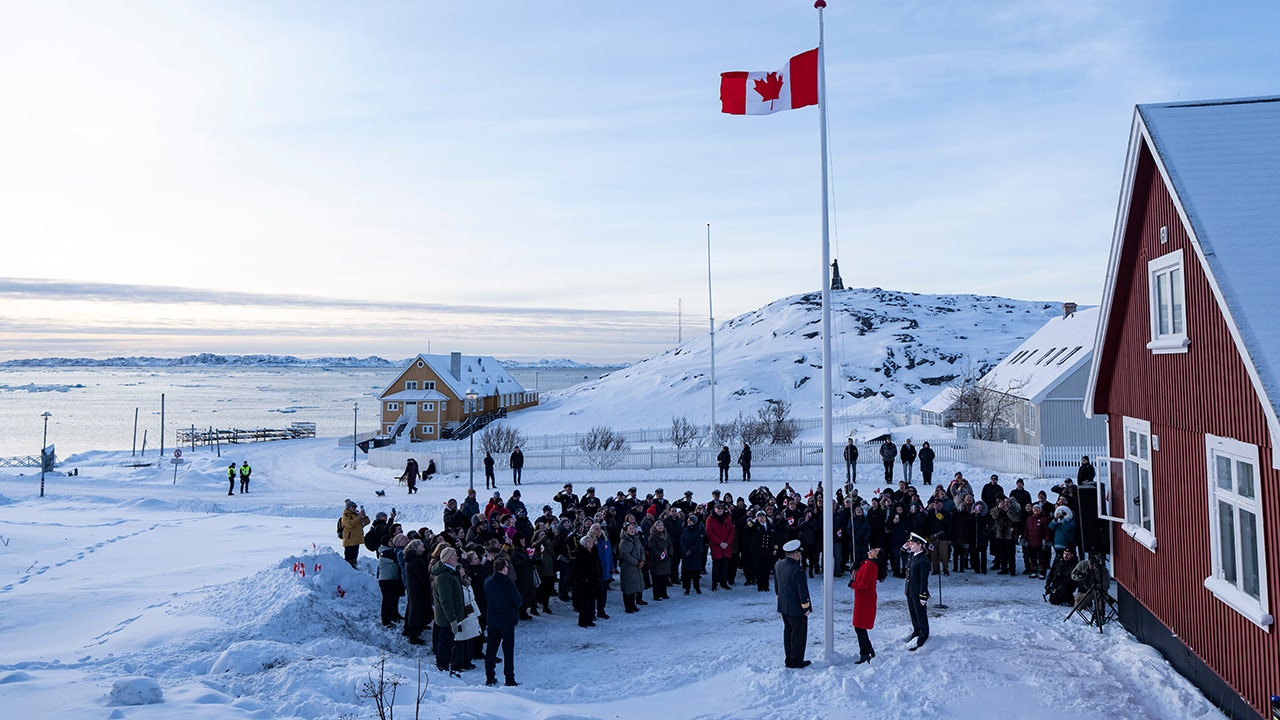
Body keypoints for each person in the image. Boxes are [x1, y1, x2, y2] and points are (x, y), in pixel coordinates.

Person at [483, 556, 522, 687]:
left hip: (493, 619)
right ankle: (509, 679)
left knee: (491, 649)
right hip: (507, 620)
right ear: (503, 568)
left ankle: (489, 676)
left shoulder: (488, 582)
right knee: (508, 651)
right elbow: (519, 601)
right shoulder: (508, 584)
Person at [774, 539, 812, 668]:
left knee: (788, 633)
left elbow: (777, 585)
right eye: (799, 553)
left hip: (784, 606)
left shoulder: (778, 564)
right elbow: (802, 591)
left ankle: (789, 659)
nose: (799, 555)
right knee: (798, 635)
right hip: (796, 608)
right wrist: (806, 606)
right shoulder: (797, 569)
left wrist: (780, 599)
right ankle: (796, 661)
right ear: (795, 553)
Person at [432, 546, 468, 675]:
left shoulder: (451, 572)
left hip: (449, 616)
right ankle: (442, 667)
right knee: (445, 643)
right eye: (454, 556)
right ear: (447, 558)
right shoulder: (444, 576)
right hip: (446, 618)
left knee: (448, 642)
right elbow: (446, 601)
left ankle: (445, 666)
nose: (457, 557)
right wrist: (452, 619)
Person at [851, 546, 884, 664]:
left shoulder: (870, 565)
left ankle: (865, 652)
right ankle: (867, 649)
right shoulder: (867, 563)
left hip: (865, 599)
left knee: (859, 626)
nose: (872, 550)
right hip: (863, 598)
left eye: (875, 551)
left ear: (877, 557)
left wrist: (852, 584)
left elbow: (863, 585)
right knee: (860, 626)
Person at [903, 532, 931, 651]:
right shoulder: (913, 555)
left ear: (920, 545)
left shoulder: (923, 560)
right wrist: (904, 547)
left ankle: (923, 635)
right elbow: (902, 554)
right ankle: (916, 630)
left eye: (912, 544)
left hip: (918, 592)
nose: (910, 546)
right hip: (910, 590)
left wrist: (923, 595)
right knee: (913, 613)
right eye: (909, 544)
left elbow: (924, 580)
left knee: (920, 614)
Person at [401, 539, 430, 644]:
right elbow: (423, 576)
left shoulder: (412, 558)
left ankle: (408, 628)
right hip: (418, 588)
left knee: (412, 607)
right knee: (415, 610)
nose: (423, 546)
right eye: (421, 545)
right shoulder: (416, 560)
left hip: (413, 587)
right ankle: (413, 634)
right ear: (416, 547)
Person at [617, 521, 646, 613]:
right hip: (628, 567)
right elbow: (625, 555)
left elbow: (641, 550)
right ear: (626, 530)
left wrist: (642, 560)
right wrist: (637, 562)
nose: (632, 530)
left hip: (637, 567)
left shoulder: (637, 539)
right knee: (628, 588)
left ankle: (633, 604)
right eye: (630, 528)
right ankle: (628, 606)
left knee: (635, 587)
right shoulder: (624, 542)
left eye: (633, 528)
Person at [706, 503, 735, 591]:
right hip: (716, 546)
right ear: (714, 509)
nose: (720, 509)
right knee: (716, 566)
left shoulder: (727, 518)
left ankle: (724, 583)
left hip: (726, 546)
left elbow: (732, 531)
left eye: (721, 508)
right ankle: (714, 584)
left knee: (725, 566)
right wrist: (720, 542)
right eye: (718, 508)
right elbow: (710, 533)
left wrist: (727, 542)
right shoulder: (710, 519)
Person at [573, 534, 601, 627]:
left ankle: (589, 619)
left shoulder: (594, 552)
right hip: (584, 581)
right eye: (588, 541)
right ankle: (583, 621)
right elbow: (577, 568)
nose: (590, 543)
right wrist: (584, 579)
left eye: (591, 541)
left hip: (593, 580)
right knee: (584, 602)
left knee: (592, 601)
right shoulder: (580, 554)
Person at [338, 500, 369, 568]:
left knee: (354, 556)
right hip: (349, 539)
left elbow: (366, 523)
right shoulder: (345, 515)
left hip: (356, 539)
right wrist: (359, 517)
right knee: (349, 556)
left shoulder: (356, 514)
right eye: (353, 507)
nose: (355, 508)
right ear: (348, 507)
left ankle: (353, 567)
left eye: (355, 506)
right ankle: (348, 569)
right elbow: (349, 524)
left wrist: (364, 516)